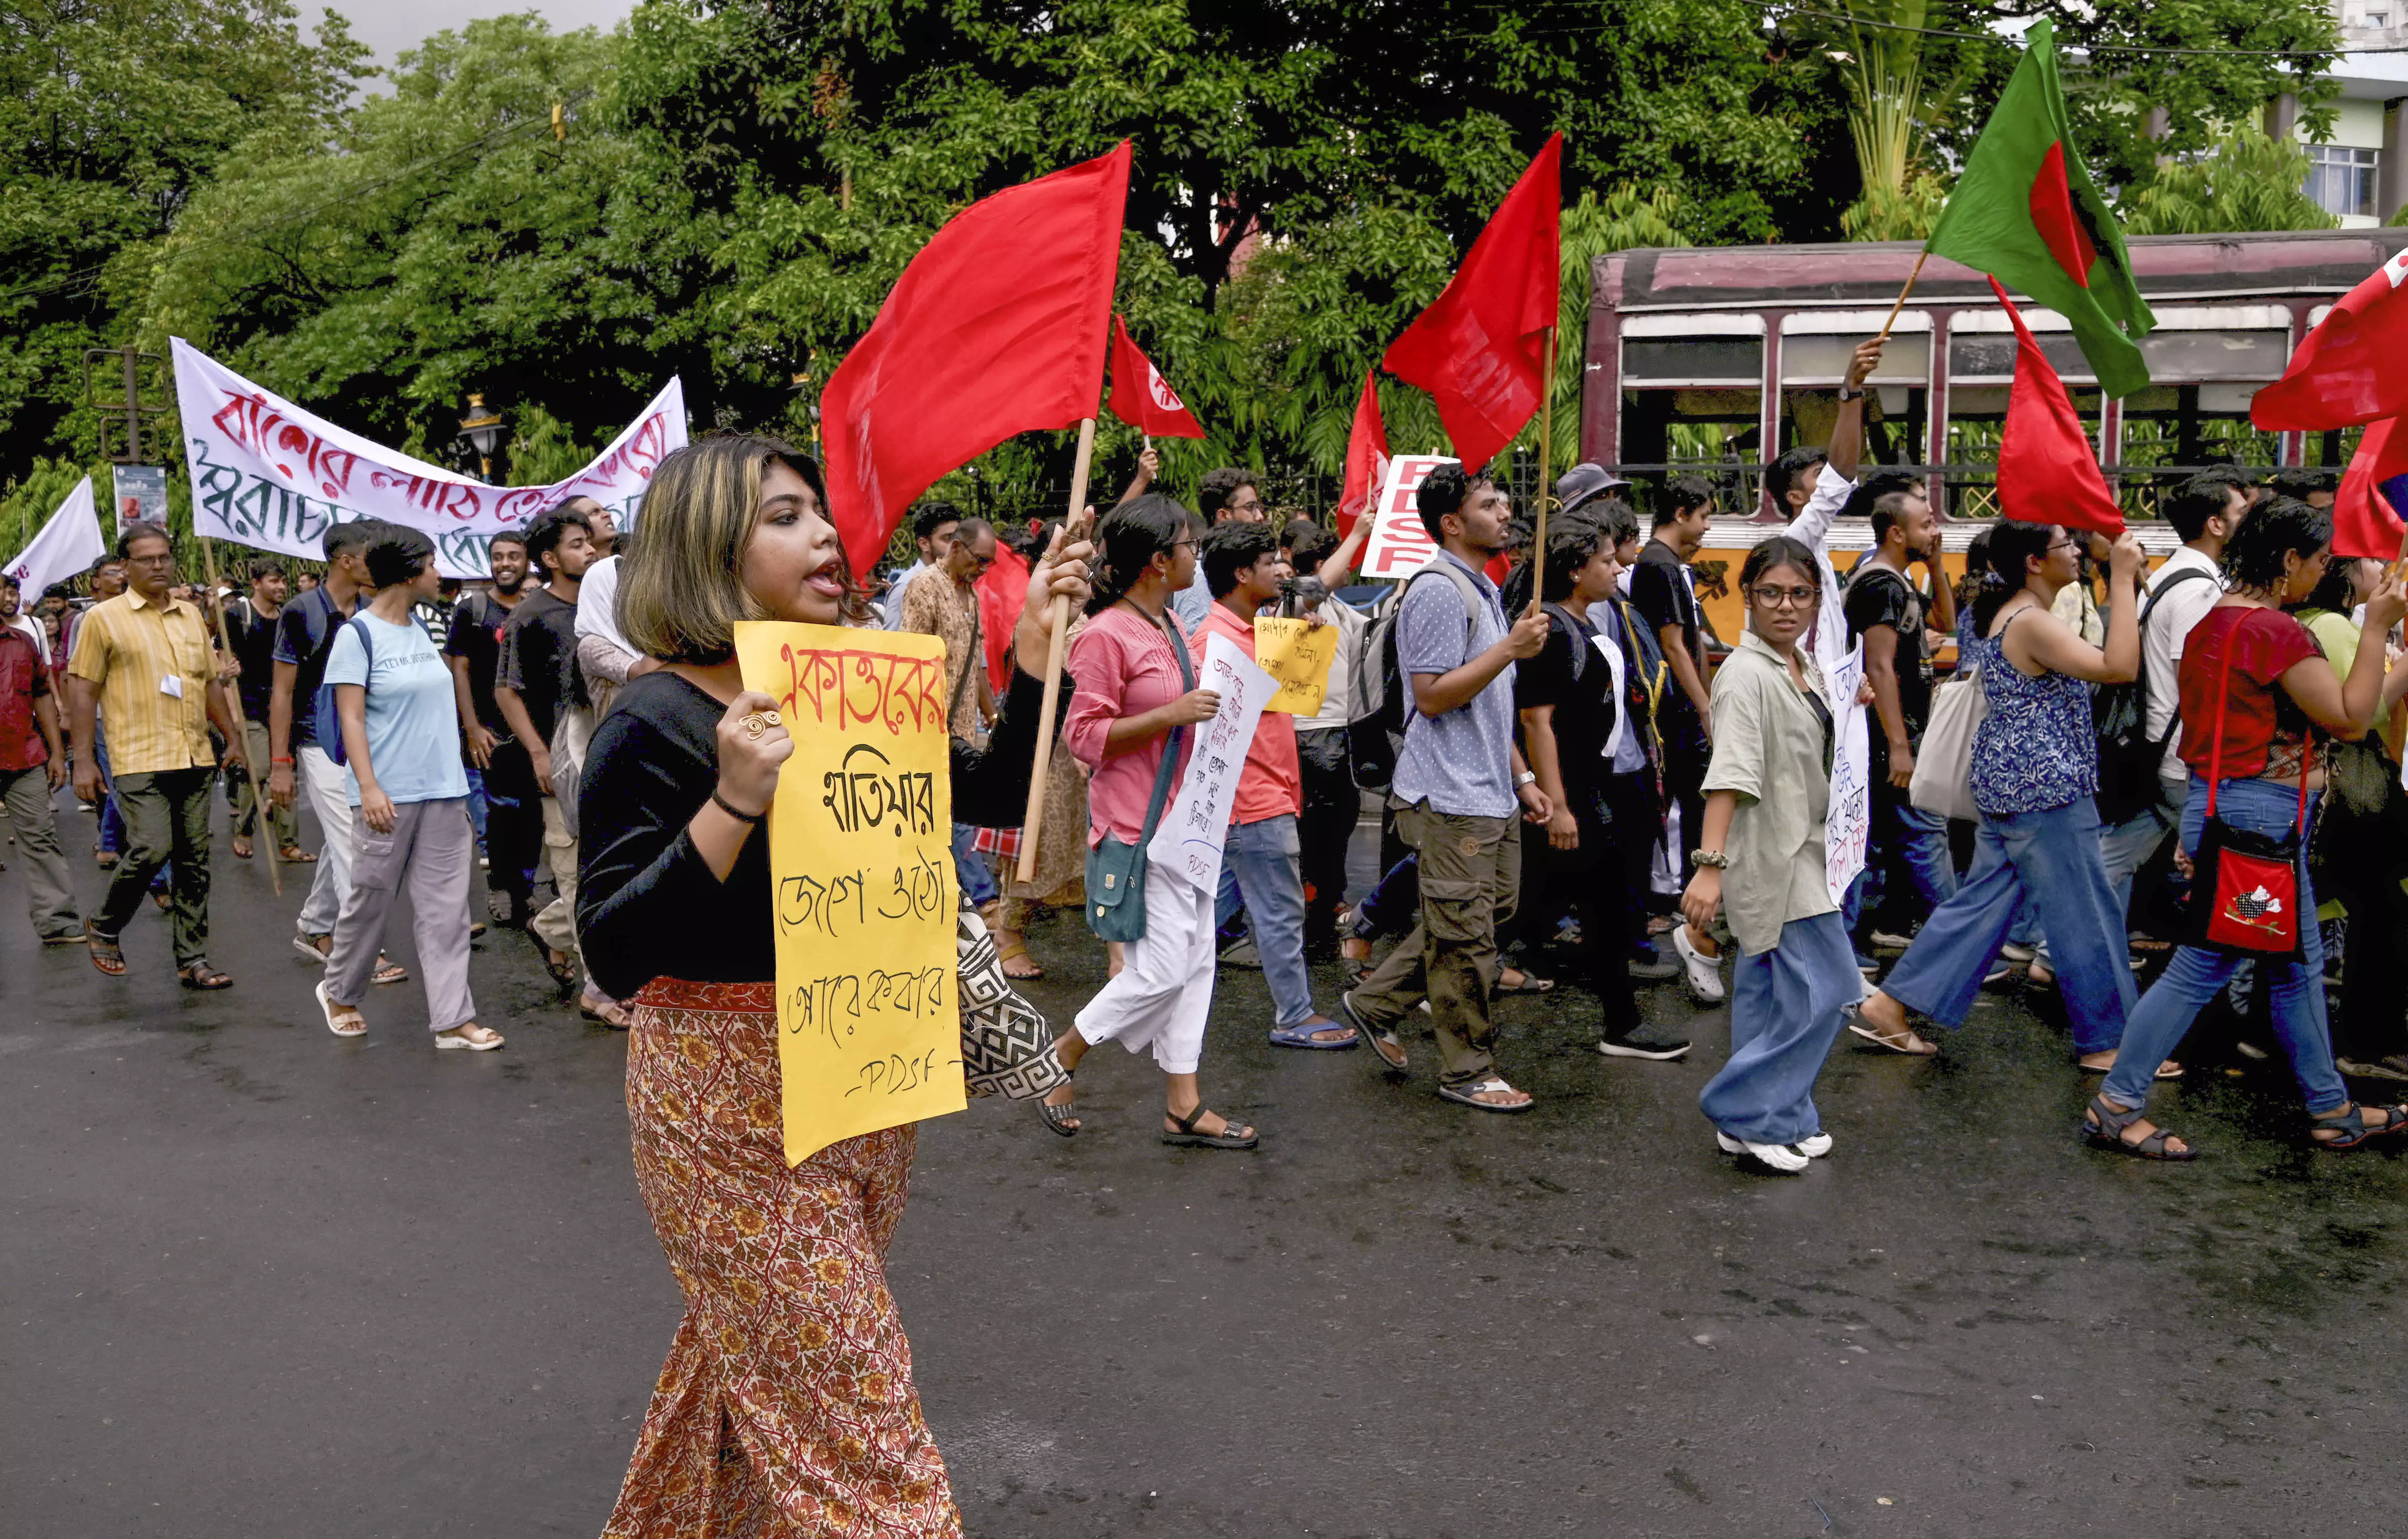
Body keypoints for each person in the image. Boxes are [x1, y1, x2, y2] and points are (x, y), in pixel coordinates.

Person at [576, 433, 1089, 1534]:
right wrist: (735, 799)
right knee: (861, 1422)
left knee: (757, 1367)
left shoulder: (849, 681)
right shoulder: (653, 718)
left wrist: (1036, 657)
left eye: (819, 513)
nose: (823, 535)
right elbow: (613, 952)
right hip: (725, 1109)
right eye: (783, 515)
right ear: (708, 544)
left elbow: (981, 792)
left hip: (864, 1079)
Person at [2084, 498, 2408, 1158]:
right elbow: (2351, 717)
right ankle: (2117, 1103)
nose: (2322, 575)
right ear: (2289, 560)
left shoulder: (2214, 624)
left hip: (2221, 811)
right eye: (2318, 562)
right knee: (2203, 966)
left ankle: (2331, 1107)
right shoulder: (2275, 633)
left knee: (2296, 966)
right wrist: (2376, 627)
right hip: (2260, 826)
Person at [1856, 521, 2159, 1076]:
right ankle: (2110, 1041)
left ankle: (1890, 1002)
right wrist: (2120, 578)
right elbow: (2120, 667)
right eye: (2065, 545)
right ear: (2034, 563)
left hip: (2015, 782)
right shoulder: (2033, 621)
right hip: (2045, 785)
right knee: (2086, 910)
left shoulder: (2017, 613)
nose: (2075, 551)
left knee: (1982, 906)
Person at [1034, 495, 1258, 1145]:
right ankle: (1061, 1056)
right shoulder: (1107, 634)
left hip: (1183, 826)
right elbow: (1084, 738)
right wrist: (1173, 714)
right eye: (1189, 545)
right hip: (1137, 829)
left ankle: (1183, 1103)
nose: (1198, 555)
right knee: (1159, 971)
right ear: (1160, 562)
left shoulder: (1164, 628)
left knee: (1195, 961)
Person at [1339, 464, 1552, 1112]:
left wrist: (1522, 777)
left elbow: (1488, 702)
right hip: (1450, 797)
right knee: (1465, 938)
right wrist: (1510, 650)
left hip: (1491, 791)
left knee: (1489, 912)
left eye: (1504, 500)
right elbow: (1430, 697)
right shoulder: (1437, 590)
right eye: (1491, 503)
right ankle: (1468, 1068)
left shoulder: (1480, 588)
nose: (1507, 510)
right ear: (1454, 523)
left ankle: (1376, 1002)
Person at [1683, 538, 1859, 1172]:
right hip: (1776, 859)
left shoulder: (1801, 666)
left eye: (1801, 593)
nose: (1787, 606)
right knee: (1831, 988)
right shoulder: (1746, 675)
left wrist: (1847, 707)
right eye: (1771, 592)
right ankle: (1745, 1107)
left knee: (1767, 992)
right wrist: (1710, 867)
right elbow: (1729, 774)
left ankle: (1777, 1116)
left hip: (1805, 849)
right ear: (1748, 596)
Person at [313, 527, 499, 1051]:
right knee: (370, 901)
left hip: (442, 788)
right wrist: (368, 787)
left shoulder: (425, 626)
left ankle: (453, 1020)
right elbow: (350, 718)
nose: (441, 575)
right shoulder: (359, 635)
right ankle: (339, 991)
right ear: (411, 572)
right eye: (434, 565)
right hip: (386, 796)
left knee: (446, 911)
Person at [1517, 509, 1690, 1061]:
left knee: (1596, 906)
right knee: (1522, 906)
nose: (1617, 569)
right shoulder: (1550, 627)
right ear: (1574, 569)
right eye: (1605, 560)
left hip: (1601, 788)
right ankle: (1392, 992)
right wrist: (1559, 804)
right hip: (1574, 794)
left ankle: (1623, 1023)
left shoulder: (1585, 619)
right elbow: (1535, 721)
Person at [1190, 521, 1356, 1048]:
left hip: (1267, 794)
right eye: (1268, 564)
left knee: (1216, 911)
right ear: (1242, 573)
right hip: (1251, 799)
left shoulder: (1253, 630)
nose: (1280, 572)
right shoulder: (1216, 641)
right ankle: (1294, 1014)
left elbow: (1288, 698)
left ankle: (1149, 992)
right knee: (1280, 912)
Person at [68, 522, 244, 988]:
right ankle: (105, 924)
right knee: (151, 847)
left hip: (194, 753)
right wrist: (82, 760)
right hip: (137, 755)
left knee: (195, 860)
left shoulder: (189, 615)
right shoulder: (103, 619)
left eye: (165, 557)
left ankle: (193, 958)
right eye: (146, 559)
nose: (159, 565)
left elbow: (207, 682)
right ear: (125, 567)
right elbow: (83, 690)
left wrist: (234, 737)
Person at [2099, 471, 2250, 936]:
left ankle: (2050, 947)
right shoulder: (2198, 591)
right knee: (2233, 868)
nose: (2251, 520)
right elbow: (2199, 683)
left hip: (2163, 749)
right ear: (2216, 525)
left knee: (2115, 858)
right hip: (2187, 757)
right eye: (2242, 512)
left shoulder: (2173, 575)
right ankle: (2236, 957)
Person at [2291, 548, 2408, 1083]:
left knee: (2295, 918)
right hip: (2345, 797)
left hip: (2318, 795)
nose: (2383, 567)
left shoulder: (2310, 621)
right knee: (2377, 916)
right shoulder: (2333, 627)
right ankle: (2361, 1044)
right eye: (2369, 559)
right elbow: (2362, 714)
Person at [273, 521, 403, 986]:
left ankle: (315, 926)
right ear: (346, 561)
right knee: (356, 842)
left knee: (341, 837)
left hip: (367, 742)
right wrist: (280, 764)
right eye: (370, 557)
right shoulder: (301, 611)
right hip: (318, 742)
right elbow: (283, 693)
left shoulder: (373, 609)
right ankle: (362, 948)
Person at [495, 502, 606, 1017]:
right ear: (551, 557)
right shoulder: (531, 616)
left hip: (607, 750)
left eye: (590, 542)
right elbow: (506, 692)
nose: (589, 550)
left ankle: (550, 928)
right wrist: (540, 753)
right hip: (561, 760)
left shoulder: (602, 601)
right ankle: (600, 990)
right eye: (577, 544)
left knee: (609, 864)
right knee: (572, 867)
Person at [1839, 472, 1958, 953]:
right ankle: (1955, 944)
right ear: (1896, 533)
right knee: (1915, 833)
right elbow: (1880, 667)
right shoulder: (1881, 586)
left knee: (1876, 838)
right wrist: (1900, 749)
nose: (1935, 531)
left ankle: (1850, 945)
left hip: (1893, 736)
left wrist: (1938, 563)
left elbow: (1946, 624)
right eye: (1928, 525)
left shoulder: (1902, 582)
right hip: (1883, 737)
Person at [900, 514, 1009, 953]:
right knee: (946, 820)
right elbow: (909, 661)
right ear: (957, 548)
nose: (982, 570)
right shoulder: (925, 587)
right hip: (927, 729)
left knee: (952, 817)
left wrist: (993, 716)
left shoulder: (972, 597)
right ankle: (979, 903)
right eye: (979, 560)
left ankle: (953, 906)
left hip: (963, 730)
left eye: (989, 565)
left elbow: (975, 665)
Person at [1284, 515, 1373, 950]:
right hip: (1310, 731)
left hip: (1339, 728)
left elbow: (1367, 633)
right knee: (1319, 823)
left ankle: (1326, 896)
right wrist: (1359, 534)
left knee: (1340, 818)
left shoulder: (1335, 608)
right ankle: (1313, 897)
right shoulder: (1292, 602)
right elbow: (1316, 589)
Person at [445, 531, 535, 920]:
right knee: (500, 814)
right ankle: (500, 885)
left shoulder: (537, 607)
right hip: (490, 733)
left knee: (534, 814)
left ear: (528, 561)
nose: (505, 564)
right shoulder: (473, 609)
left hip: (535, 732)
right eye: (498, 557)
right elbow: (459, 670)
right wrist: (471, 727)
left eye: (513, 556)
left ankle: (527, 888)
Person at [0, 572, 79, 944]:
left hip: (24, 755)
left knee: (40, 838)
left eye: (7, 588)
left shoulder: (22, 642)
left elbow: (42, 694)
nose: (6, 596)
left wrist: (58, 753)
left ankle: (58, 922)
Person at [223, 558, 297, 861]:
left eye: (283, 581)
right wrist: (232, 715)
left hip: (283, 707)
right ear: (256, 583)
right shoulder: (237, 617)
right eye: (273, 581)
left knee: (285, 771)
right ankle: (245, 829)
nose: (280, 587)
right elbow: (221, 662)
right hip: (249, 707)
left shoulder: (289, 618)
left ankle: (288, 841)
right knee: (261, 772)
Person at [1169, 467, 1269, 629]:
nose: (1259, 516)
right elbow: (1199, 647)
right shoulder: (1199, 577)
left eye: (1258, 507)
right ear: (1223, 516)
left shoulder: (1252, 569)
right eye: (1250, 507)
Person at [879, 502, 964, 630]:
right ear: (924, 544)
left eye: (958, 538)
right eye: (948, 538)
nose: (956, 545)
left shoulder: (959, 584)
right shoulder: (905, 587)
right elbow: (891, 644)